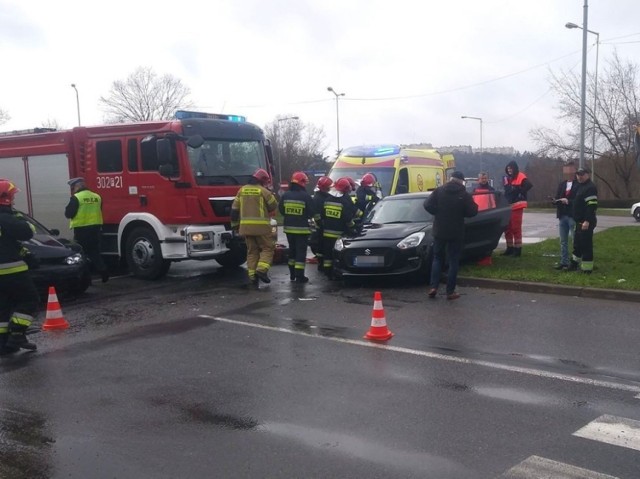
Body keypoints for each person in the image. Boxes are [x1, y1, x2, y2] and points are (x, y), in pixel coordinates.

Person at [424, 171, 478, 300]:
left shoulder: (439, 191)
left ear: (450, 179)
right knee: (453, 261)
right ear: (461, 181)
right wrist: (462, 212)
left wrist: (437, 212)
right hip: (456, 231)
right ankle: (450, 291)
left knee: (437, 258)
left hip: (440, 230)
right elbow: (473, 211)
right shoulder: (464, 194)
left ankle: (433, 287)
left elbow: (427, 204)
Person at [0, 179, 39, 355]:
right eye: (12, 196)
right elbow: (28, 231)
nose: (14, 200)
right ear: (5, 198)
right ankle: (17, 333)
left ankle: (4, 345)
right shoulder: (7, 218)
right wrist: (16, 215)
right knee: (30, 300)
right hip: (12, 271)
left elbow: (8, 243)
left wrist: (25, 254)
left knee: (3, 307)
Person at [231, 168, 278, 285]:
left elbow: (234, 210)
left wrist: (235, 226)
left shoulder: (241, 190)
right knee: (268, 248)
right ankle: (261, 270)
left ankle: (252, 276)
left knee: (252, 251)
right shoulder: (264, 191)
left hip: (246, 228)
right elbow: (274, 205)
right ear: (262, 180)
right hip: (262, 228)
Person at [64, 177, 109, 283]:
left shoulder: (76, 198)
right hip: (96, 229)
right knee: (94, 252)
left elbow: (68, 214)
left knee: (81, 253)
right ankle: (104, 272)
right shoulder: (97, 196)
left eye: (72, 188)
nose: (72, 190)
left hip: (81, 230)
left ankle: (86, 278)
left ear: (77, 186)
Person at [279, 171, 314, 283]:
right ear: (302, 183)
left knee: (292, 251)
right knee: (300, 252)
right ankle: (300, 276)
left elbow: (281, 210)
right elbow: (311, 212)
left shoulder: (286, 195)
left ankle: (292, 274)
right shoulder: (305, 196)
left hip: (289, 229)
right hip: (302, 230)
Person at [320, 177, 357, 278]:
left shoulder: (327, 200)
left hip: (327, 233)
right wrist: (353, 228)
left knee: (327, 254)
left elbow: (322, 215)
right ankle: (336, 274)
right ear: (345, 189)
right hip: (338, 234)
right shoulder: (343, 202)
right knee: (337, 254)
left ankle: (327, 272)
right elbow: (347, 219)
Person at [568, 167, 598, 274]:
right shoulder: (580, 187)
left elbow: (592, 206)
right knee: (577, 244)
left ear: (587, 174)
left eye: (582, 174)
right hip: (579, 221)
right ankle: (574, 264)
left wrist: (587, 221)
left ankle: (587, 269)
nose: (579, 176)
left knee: (586, 245)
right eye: (578, 174)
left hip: (586, 222)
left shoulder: (590, 188)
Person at [502, 160, 533, 257]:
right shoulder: (508, 178)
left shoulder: (520, 176)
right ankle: (509, 248)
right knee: (508, 228)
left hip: (518, 205)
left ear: (514, 168)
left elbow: (529, 185)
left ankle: (517, 249)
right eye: (508, 169)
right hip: (509, 206)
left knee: (516, 228)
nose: (509, 170)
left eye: (510, 168)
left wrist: (521, 192)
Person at [552, 161, 579, 270]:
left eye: (570, 171)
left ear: (574, 171)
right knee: (563, 241)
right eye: (565, 171)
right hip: (562, 215)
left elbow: (578, 200)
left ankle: (575, 263)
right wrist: (555, 201)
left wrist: (568, 201)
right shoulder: (562, 184)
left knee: (574, 241)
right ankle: (564, 262)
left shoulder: (578, 184)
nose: (568, 174)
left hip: (572, 215)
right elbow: (558, 196)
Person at [311, 176, 334, 272]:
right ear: (325, 187)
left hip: (322, 226)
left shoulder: (321, 196)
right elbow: (317, 214)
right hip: (322, 227)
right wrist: (322, 224)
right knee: (323, 247)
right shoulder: (319, 198)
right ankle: (323, 265)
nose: (330, 189)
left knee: (321, 247)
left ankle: (322, 264)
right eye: (329, 187)